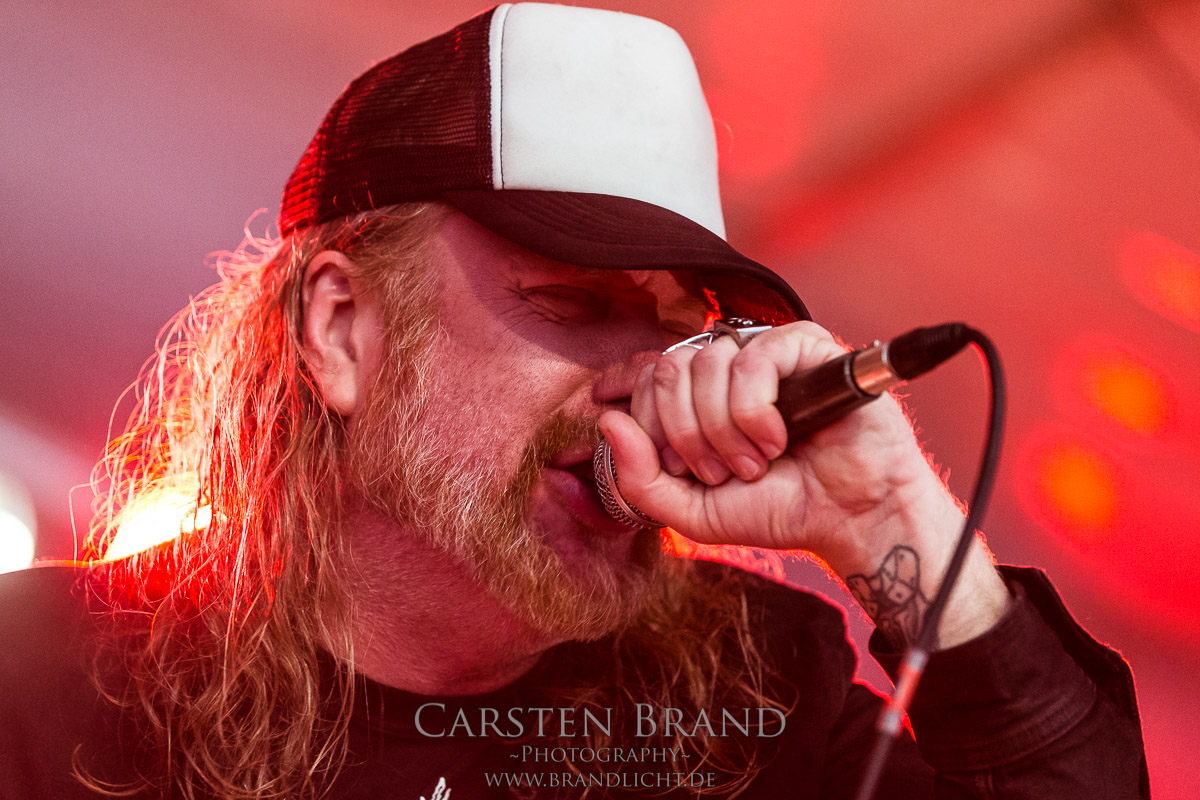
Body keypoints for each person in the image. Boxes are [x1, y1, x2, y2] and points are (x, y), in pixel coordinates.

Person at [0, 4, 1147, 799]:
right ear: (342, 330)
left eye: (680, 323)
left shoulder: (760, 694)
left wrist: (894, 521)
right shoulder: (39, 679)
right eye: (570, 301)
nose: (649, 374)